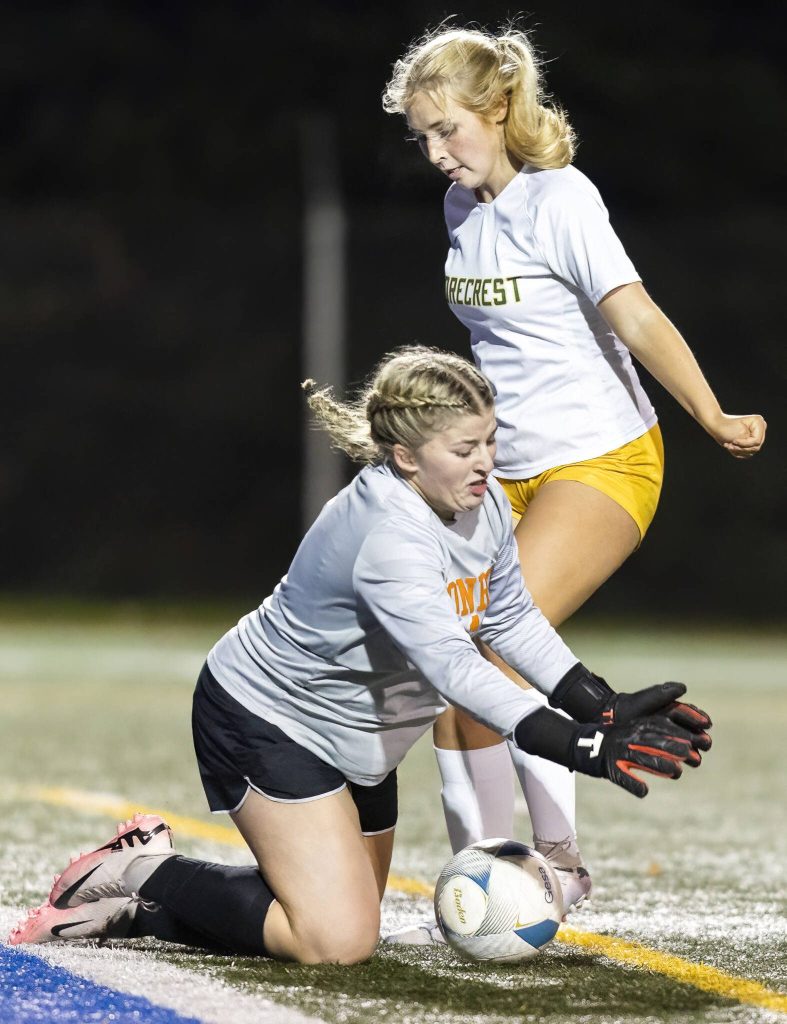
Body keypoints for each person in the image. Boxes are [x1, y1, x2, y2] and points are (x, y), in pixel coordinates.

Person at [9, 347, 710, 962]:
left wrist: (598, 701)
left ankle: (150, 908)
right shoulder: (387, 534)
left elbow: (507, 616)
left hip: (364, 736)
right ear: (404, 456)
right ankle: (142, 876)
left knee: (340, 918)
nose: (486, 462)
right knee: (335, 942)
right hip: (272, 721)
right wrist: (578, 746)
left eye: (490, 441)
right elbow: (456, 670)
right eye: (464, 448)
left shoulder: (480, 501)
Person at [381, 25, 765, 941]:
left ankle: (549, 870)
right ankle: (490, 883)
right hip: (503, 474)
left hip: (601, 458)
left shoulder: (562, 200)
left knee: (489, 664)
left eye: (448, 130)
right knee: (451, 677)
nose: (436, 153)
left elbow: (632, 314)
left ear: (499, 108)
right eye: (422, 137)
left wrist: (711, 414)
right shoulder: (460, 212)